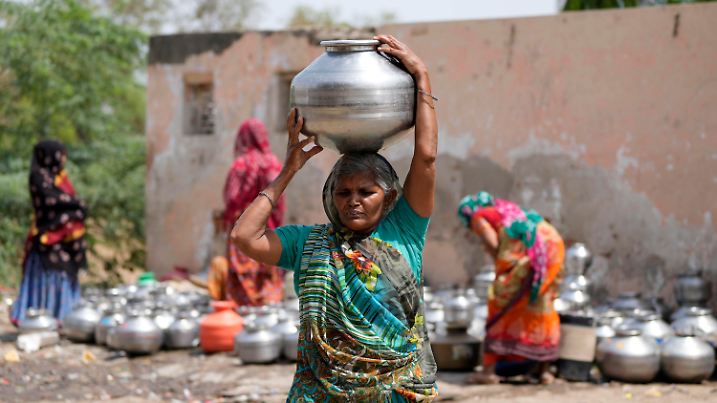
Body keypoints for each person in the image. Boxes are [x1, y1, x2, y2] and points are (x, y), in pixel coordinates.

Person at [232, 35, 439, 401]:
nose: (354, 202)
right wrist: (288, 171)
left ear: (389, 195)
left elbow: (425, 158)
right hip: (323, 393)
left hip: (396, 392)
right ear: (330, 196)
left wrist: (421, 76)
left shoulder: (406, 228)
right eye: (343, 193)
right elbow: (245, 237)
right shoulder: (309, 243)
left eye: (366, 192)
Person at [457, 191, 564, 384]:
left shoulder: (478, 215)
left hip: (531, 247)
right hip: (552, 243)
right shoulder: (507, 210)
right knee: (541, 302)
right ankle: (544, 371)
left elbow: (494, 244)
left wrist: (496, 261)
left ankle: (488, 372)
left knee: (500, 299)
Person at [11, 140, 88, 325]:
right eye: (60, 154)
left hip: (65, 241)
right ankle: (40, 318)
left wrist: (76, 209)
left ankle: (64, 317)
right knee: (51, 274)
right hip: (47, 238)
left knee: (66, 273)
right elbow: (54, 201)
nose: (63, 159)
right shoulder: (38, 177)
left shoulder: (59, 177)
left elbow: (69, 200)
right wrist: (76, 207)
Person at [214, 118, 287, 306]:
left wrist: (230, 216)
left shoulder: (240, 165)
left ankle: (244, 317)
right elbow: (278, 200)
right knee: (266, 269)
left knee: (243, 273)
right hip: (268, 230)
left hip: (244, 228)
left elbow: (231, 200)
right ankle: (268, 312)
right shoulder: (273, 164)